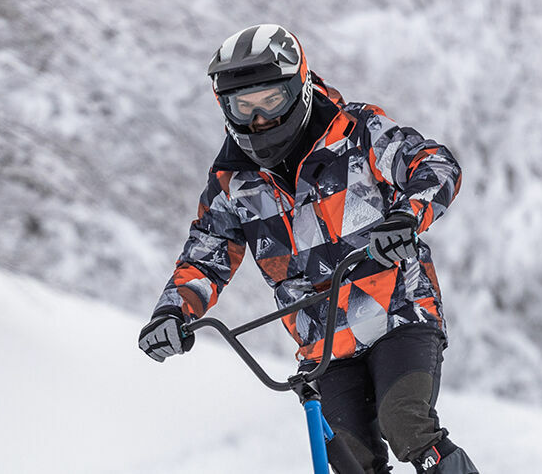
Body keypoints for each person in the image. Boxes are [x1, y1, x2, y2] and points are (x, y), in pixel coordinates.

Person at [138, 24, 476, 474]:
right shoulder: (233, 183)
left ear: (298, 90)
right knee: (351, 461)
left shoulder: (357, 134)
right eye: (245, 106)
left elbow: (434, 164)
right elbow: (206, 252)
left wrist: (407, 216)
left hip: (400, 314)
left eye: (271, 102)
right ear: (226, 108)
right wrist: (172, 313)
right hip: (324, 347)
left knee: (406, 423)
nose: (259, 120)